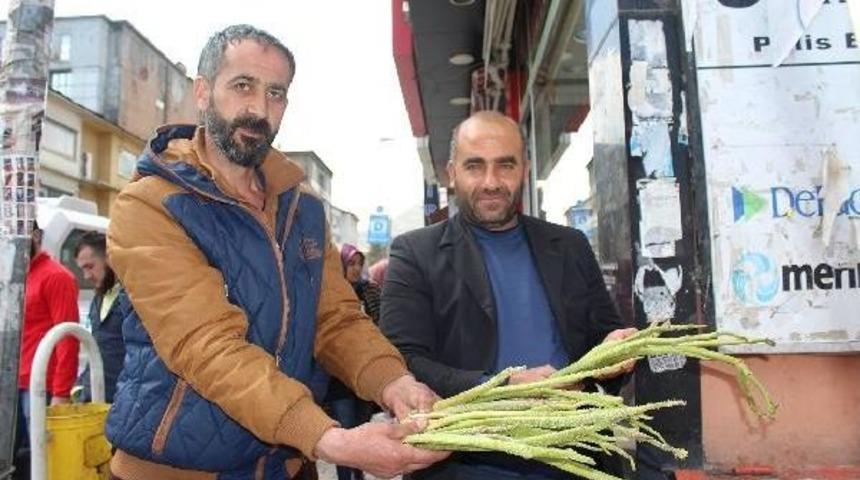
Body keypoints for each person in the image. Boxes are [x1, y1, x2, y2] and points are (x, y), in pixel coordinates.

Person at [104, 25, 446, 480]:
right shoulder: (149, 203)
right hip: (177, 468)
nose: (259, 109)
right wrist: (331, 439)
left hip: (281, 464)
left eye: (276, 93)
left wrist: (393, 381)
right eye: (242, 85)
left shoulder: (301, 209)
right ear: (203, 92)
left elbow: (336, 319)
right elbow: (207, 346)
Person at [380, 111, 635, 480]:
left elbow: (602, 338)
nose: (491, 182)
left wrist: (615, 350)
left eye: (505, 165)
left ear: (525, 169)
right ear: (452, 172)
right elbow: (403, 359)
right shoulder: (415, 252)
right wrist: (503, 385)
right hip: (465, 462)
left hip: (575, 458)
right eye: (474, 166)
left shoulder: (569, 246)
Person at [323, 244, 382, 480]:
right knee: (346, 439)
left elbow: (381, 329)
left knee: (362, 435)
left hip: (364, 382)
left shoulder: (370, 291)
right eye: (351, 263)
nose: (356, 269)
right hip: (338, 384)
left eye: (360, 263)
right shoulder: (330, 295)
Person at [19, 221, 79, 420]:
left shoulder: (56, 277)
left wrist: (61, 393)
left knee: (40, 450)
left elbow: (68, 337)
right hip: (13, 383)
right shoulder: (15, 276)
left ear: (35, 236)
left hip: (40, 387)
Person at [73, 231, 125, 403]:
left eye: (90, 266)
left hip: (123, 402)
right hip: (96, 398)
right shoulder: (99, 298)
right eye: (82, 269)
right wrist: (81, 387)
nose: (86, 276)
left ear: (108, 258)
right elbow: (98, 348)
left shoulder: (133, 298)